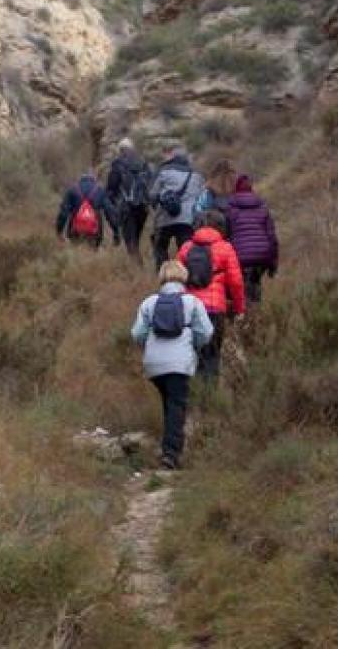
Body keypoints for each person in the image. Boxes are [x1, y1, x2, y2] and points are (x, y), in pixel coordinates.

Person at [130, 260, 215, 470]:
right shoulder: (192, 302)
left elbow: (137, 334)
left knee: (170, 403)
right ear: (183, 277)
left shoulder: (149, 302)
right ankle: (171, 455)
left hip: (154, 365)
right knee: (177, 406)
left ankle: (169, 447)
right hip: (180, 363)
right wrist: (193, 345)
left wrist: (150, 346)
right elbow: (206, 332)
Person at [176, 209, 245, 384]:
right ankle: (210, 397)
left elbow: (175, 279)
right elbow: (236, 282)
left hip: (190, 308)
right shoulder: (225, 248)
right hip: (215, 308)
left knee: (193, 353)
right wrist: (238, 309)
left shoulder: (185, 248)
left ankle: (194, 393)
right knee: (212, 354)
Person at [224, 175, 280, 308]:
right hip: (261, 255)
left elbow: (226, 236)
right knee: (255, 283)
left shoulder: (230, 209)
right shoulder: (263, 208)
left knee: (242, 288)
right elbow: (272, 237)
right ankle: (256, 313)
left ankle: (245, 316)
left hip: (239, 256)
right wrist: (273, 264)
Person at [149, 147, 205, 270]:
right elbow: (201, 199)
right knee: (185, 251)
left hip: (164, 218)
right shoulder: (197, 176)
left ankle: (163, 274)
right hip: (187, 220)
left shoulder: (164, 173)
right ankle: (185, 276)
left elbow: (152, 195)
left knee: (160, 248)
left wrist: (157, 205)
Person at [105, 139, 152, 259]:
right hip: (143, 207)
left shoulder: (118, 164)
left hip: (126, 208)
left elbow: (112, 188)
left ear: (121, 150)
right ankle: (138, 266)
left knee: (130, 242)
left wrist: (111, 206)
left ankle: (137, 270)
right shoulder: (143, 163)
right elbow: (151, 182)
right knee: (136, 239)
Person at [55, 172, 107, 247]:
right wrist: (116, 233)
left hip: (75, 230)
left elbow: (64, 212)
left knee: (75, 251)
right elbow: (109, 212)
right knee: (92, 252)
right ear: (93, 180)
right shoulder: (100, 191)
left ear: (80, 180)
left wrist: (59, 230)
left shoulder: (72, 190)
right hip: (95, 231)